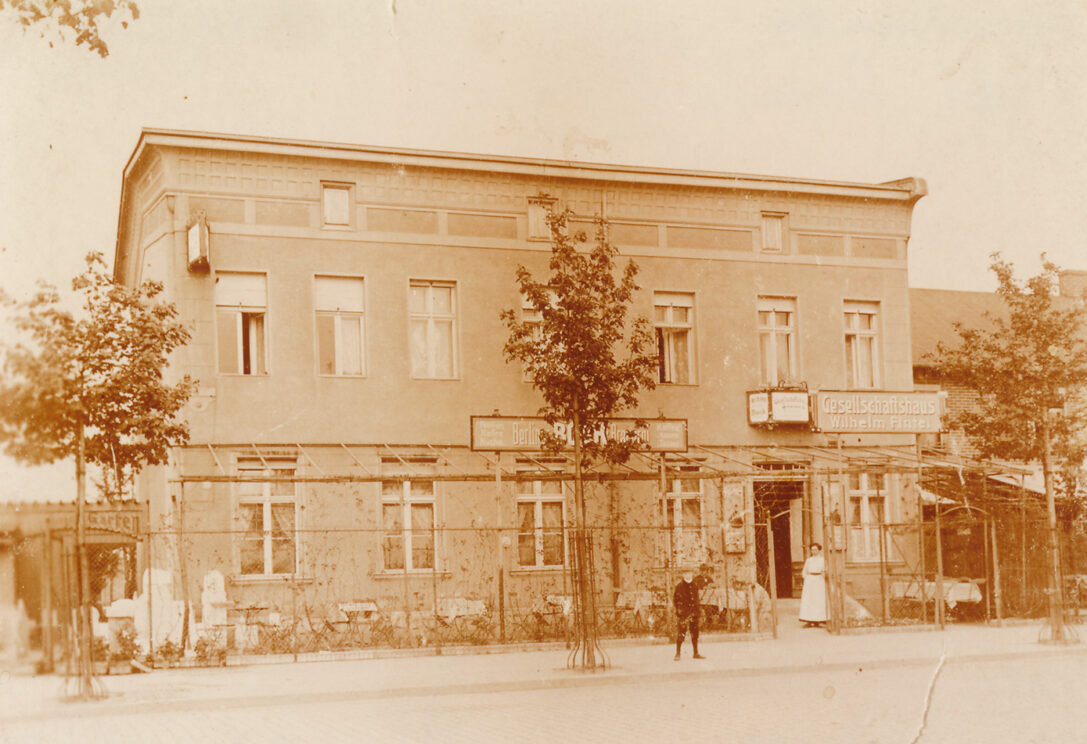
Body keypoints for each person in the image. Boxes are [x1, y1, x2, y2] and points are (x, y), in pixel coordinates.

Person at [673, 569, 705, 660]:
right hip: (684, 613)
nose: (688, 575)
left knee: (695, 633)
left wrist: (697, 610)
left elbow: (696, 598)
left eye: (689, 573)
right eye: (686, 573)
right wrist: (679, 611)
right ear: (683, 575)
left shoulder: (695, 585)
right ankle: (677, 654)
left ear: (692, 573)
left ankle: (696, 653)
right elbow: (675, 600)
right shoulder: (679, 586)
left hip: (694, 612)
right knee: (681, 633)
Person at [799, 542, 828, 627]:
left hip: (819, 580)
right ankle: (809, 620)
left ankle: (819, 620)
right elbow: (804, 570)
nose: (814, 551)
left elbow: (826, 569)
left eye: (815, 549)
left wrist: (823, 574)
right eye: (812, 550)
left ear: (819, 550)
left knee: (819, 600)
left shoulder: (822, 560)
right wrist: (806, 579)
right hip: (810, 581)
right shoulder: (809, 560)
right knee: (809, 600)